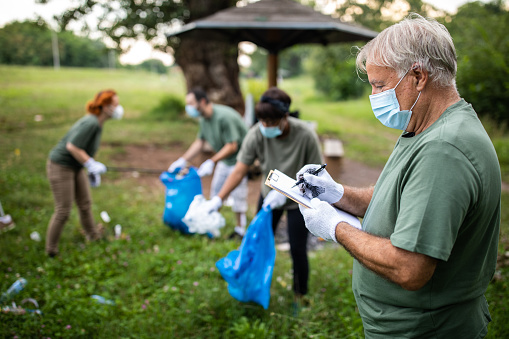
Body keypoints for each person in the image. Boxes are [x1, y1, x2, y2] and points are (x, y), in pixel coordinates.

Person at [297, 14, 501, 337]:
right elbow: (393, 198)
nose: (375, 96)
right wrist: (335, 194)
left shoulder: (443, 150)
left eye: (380, 85)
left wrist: (334, 227)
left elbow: (410, 268)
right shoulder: (424, 126)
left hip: (426, 330)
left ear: (418, 76)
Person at [204, 87, 323, 304]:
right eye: (262, 120)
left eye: (271, 121)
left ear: (285, 116)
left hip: (299, 200)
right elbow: (240, 169)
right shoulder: (256, 134)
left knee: (297, 248)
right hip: (269, 198)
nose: (265, 126)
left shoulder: (305, 135)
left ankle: (299, 295)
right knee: (256, 241)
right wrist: (218, 199)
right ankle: (252, 286)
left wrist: (290, 191)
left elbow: (317, 175)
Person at [46, 90, 124, 257]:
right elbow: (72, 147)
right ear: (104, 107)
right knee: (63, 210)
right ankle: (51, 250)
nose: (118, 108)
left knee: (85, 204)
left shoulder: (98, 124)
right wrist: (90, 164)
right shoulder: (91, 123)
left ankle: (93, 236)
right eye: (115, 105)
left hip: (75, 167)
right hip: (61, 166)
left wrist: (90, 169)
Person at [168, 88, 249, 238]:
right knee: (216, 192)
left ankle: (240, 230)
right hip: (225, 160)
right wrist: (183, 159)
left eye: (191, 103)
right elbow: (200, 141)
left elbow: (232, 145)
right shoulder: (204, 119)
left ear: (202, 101)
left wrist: (211, 161)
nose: (189, 108)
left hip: (241, 161)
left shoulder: (224, 117)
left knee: (238, 196)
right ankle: (212, 224)